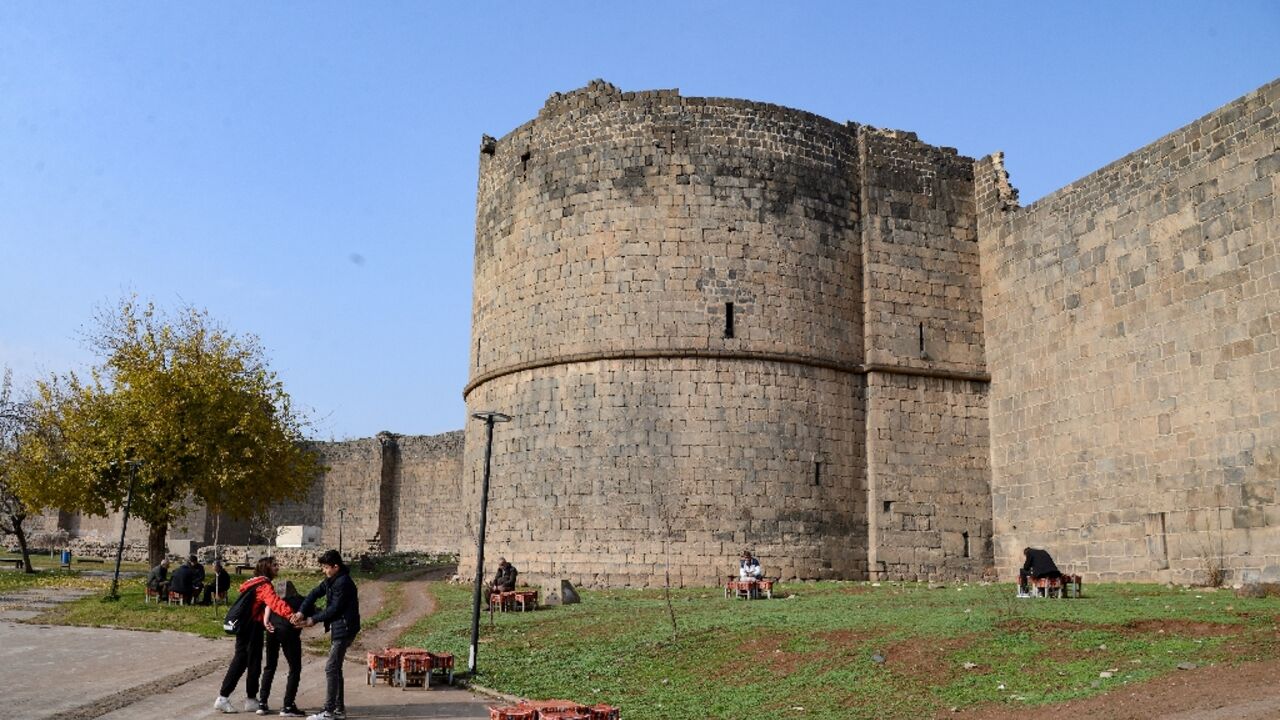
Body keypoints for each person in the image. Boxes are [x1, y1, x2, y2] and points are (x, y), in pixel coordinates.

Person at [214, 557, 298, 714]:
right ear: (266, 567)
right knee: (241, 661)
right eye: (274, 565)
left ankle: (251, 699)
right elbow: (275, 602)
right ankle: (223, 697)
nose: (277, 567)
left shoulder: (254, 583)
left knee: (254, 663)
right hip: (250, 627)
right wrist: (291, 615)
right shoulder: (264, 585)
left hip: (250, 626)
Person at [294, 549, 361, 720]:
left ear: (336, 567)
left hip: (345, 629)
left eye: (326, 567)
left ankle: (329, 711)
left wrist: (313, 620)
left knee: (331, 667)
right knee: (336, 668)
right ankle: (339, 709)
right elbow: (314, 593)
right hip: (339, 628)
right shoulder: (332, 580)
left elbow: (334, 609)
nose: (324, 570)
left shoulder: (343, 583)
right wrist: (301, 612)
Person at [257, 580, 306, 717]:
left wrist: (266, 619)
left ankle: (262, 703)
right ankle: (288, 705)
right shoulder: (300, 600)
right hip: (288, 633)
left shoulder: (274, 601)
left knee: (270, 666)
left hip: (272, 630)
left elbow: (266, 606)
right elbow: (312, 612)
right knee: (295, 668)